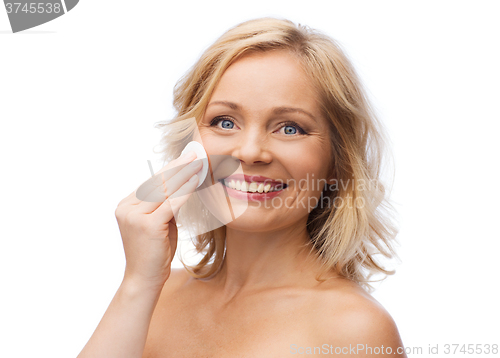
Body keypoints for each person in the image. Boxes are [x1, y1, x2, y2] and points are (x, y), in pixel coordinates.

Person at [77, 17, 406, 358]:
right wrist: (138, 283)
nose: (249, 152)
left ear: (338, 161)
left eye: (290, 128)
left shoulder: (354, 329)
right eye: (225, 122)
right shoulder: (153, 295)